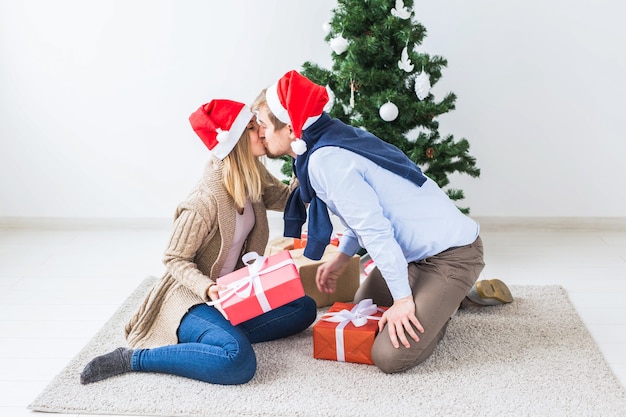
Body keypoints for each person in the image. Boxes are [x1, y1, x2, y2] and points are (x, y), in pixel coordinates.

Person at [253, 70, 513, 374]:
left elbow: (376, 233)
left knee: (389, 356)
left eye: (264, 126)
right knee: (365, 304)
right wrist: (342, 257)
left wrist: (403, 300)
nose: (260, 134)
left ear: (292, 131)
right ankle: (433, 300)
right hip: (412, 256)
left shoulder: (327, 161)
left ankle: (446, 303)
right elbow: (357, 214)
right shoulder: (326, 140)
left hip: (452, 255)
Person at [80, 99, 317, 385]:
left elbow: (292, 202)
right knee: (237, 361)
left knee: (303, 308)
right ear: (237, 141)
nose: (263, 133)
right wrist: (207, 287)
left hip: (232, 293)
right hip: (192, 298)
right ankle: (133, 358)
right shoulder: (204, 201)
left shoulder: (252, 175)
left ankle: (216, 338)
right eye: (255, 128)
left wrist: (298, 154)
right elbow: (173, 258)